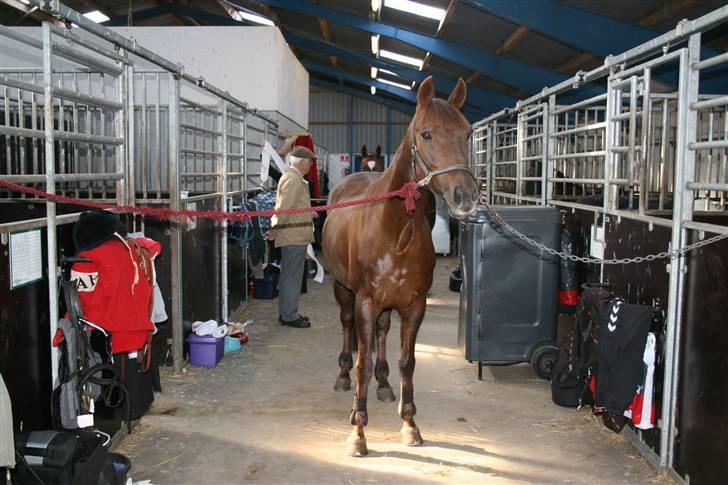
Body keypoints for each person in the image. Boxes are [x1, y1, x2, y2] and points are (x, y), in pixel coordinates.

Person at [270, 146, 316, 328]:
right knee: (291, 277)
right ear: (302, 162)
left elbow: (294, 206)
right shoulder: (293, 179)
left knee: (293, 276)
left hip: (295, 234)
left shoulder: (295, 178)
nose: (311, 166)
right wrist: (274, 228)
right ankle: (289, 315)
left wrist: (308, 213)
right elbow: (284, 208)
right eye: (309, 162)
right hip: (293, 235)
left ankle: (290, 312)